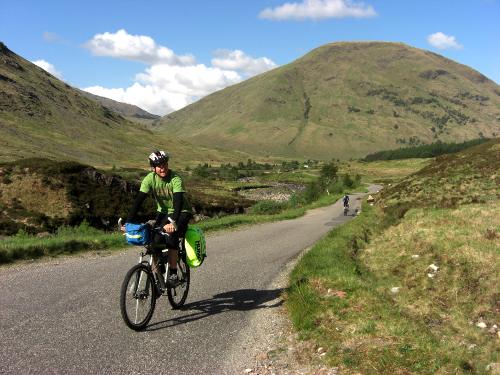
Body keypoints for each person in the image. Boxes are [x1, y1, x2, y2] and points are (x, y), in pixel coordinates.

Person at [122, 150, 193, 287]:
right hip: (163, 212)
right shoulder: (149, 179)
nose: (163, 168)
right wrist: (128, 222)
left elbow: (178, 203)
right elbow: (138, 201)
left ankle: (173, 273)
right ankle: (159, 274)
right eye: (159, 166)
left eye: (165, 164)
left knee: (171, 235)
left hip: (181, 212)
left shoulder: (175, 179)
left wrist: (173, 223)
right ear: (153, 168)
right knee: (153, 240)